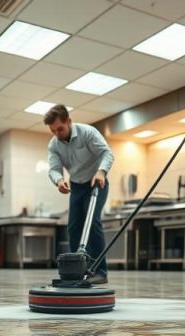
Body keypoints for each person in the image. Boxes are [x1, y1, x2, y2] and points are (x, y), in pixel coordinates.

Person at [44, 104, 114, 285]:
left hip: (96, 182)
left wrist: (101, 172)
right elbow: (53, 169)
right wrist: (59, 181)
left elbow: (107, 153)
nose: (57, 134)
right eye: (53, 131)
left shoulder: (87, 133)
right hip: (76, 186)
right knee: (74, 228)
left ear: (69, 121)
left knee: (92, 224)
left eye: (60, 128)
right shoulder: (54, 145)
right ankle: (77, 270)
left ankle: (100, 272)